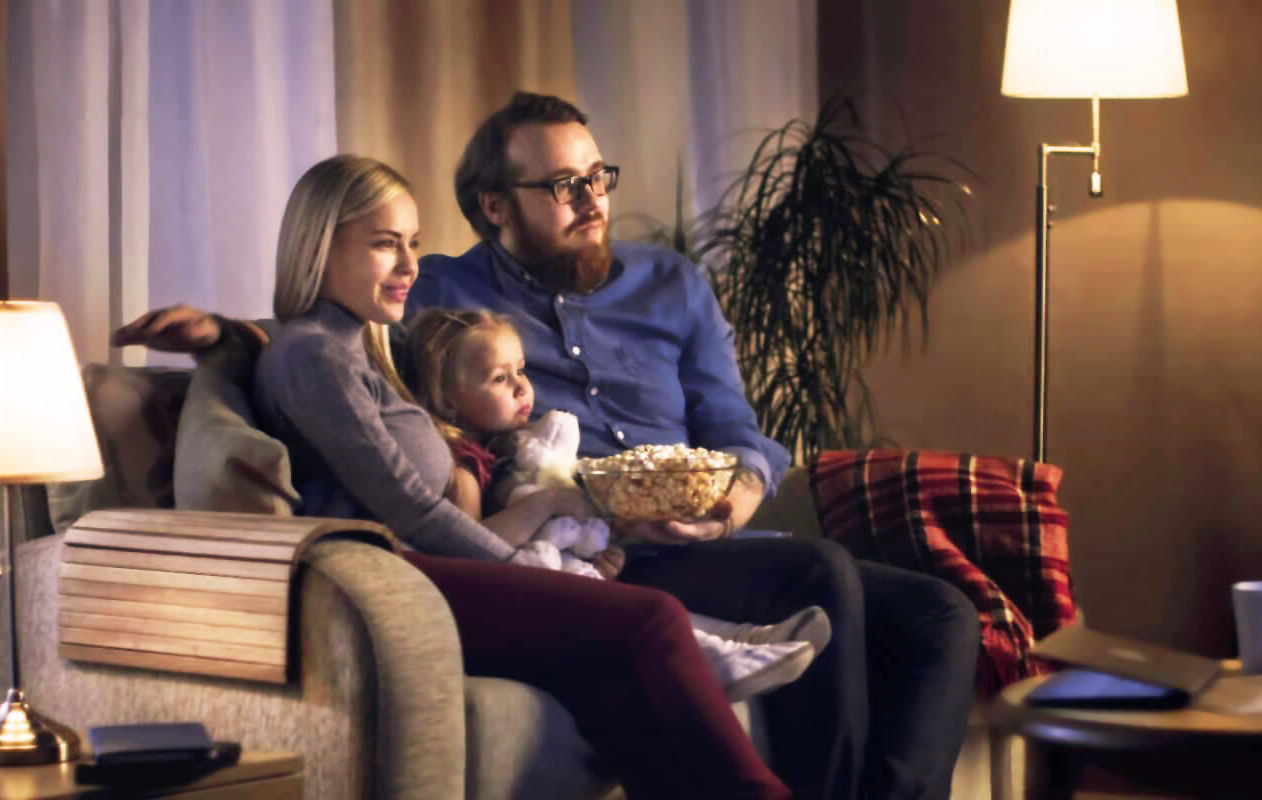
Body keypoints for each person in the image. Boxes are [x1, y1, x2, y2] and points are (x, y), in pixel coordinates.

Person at [115, 92, 980, 800]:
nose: (593, 200)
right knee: (813, 575)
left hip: (693, 536)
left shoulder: (672, 283)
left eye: (597, 177)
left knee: (939, 614)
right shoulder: (439, 296)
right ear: (496, 207)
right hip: (570, 551)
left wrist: (732, 503)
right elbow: (317, 339)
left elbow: (740, 434)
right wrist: (229, 333)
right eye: (564, 186)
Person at [245, 153, 790, 800]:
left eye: (413, 244)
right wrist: (525, 567)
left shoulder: (363, 342)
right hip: (390, 583)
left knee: (611, 686)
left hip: (420, 571)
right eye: (385, 245)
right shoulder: (313, 354)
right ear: (319, 246)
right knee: (651, 618)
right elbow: (411, 511)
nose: (410, 268)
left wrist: (229, 333)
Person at [403, 305, 828, 703]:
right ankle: (724, 659)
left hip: (559, 573)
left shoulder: (515, 453)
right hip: (525, 604)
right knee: (644, 613)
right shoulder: (462, 472)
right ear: (448, 400)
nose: (522, 387)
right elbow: (472, 554)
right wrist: (549, 504)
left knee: (634, 597)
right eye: (499, 379)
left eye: (521, 370)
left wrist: (596, 549)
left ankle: (748, 641)